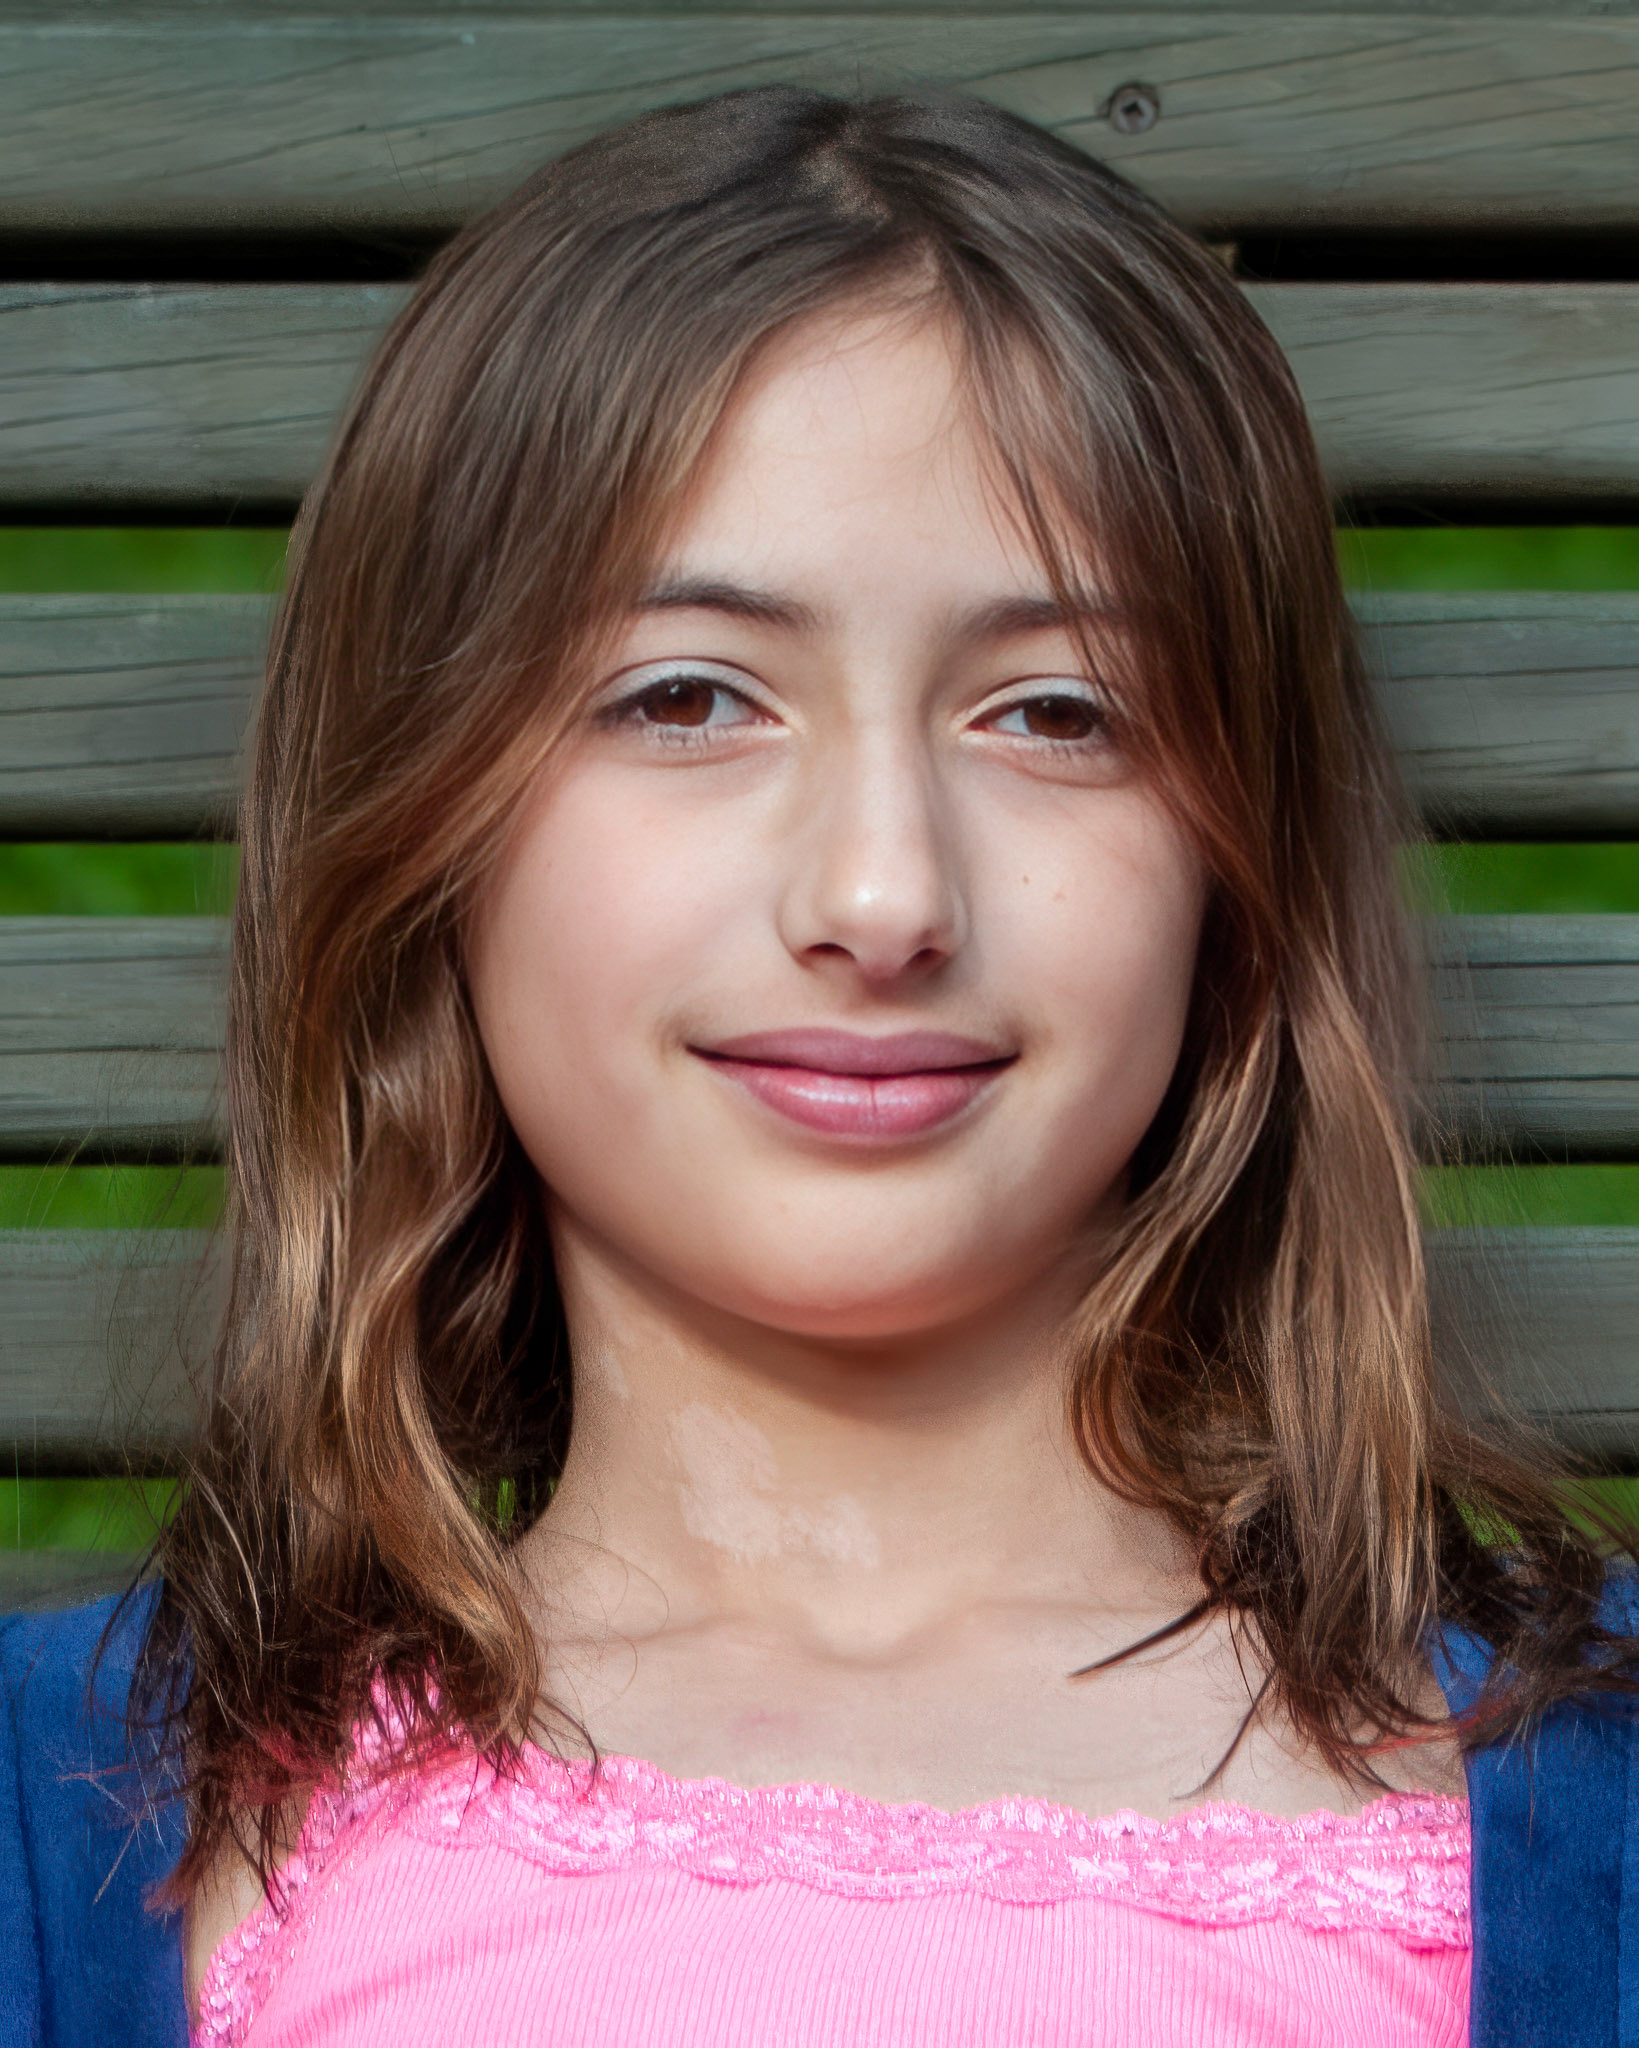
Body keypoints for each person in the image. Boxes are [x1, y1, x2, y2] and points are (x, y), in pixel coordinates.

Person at [5, 81, 1639, 2048]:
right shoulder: (80, 1822)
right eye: (688, 697)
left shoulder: (1583, 1804)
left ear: (1238, 866)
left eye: (1056, 713)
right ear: (425, 824)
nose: (882, 895)